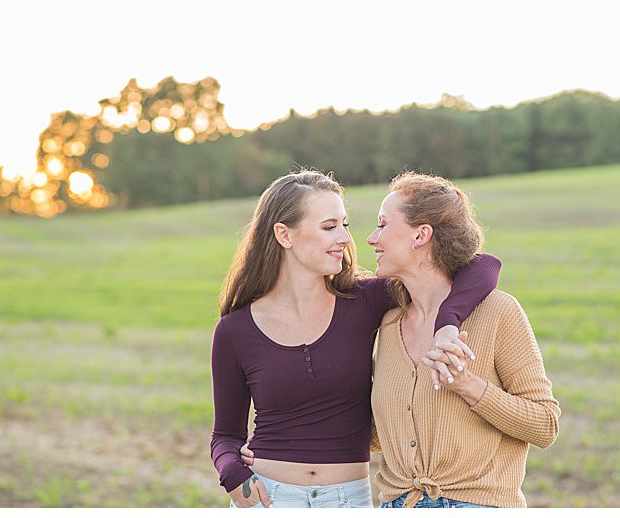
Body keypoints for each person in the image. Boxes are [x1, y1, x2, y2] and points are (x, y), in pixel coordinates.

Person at [210, 170, 501, 508]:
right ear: (284, 235)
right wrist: (231, 471)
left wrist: (447, 324)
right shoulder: (235, 330)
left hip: (348, 499)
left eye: (344, 225)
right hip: (268, 497)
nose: (346, 239)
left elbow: (483, 266)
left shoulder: (365, 300)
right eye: (329, 227)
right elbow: (225, 436)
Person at [369, 172, 559, 507]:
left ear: (421, 234)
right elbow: (381, 433)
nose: (372, 238)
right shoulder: (387, 324)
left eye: (383, 224)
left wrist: (467, 384)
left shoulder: (498, 311)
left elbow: (545, 426)